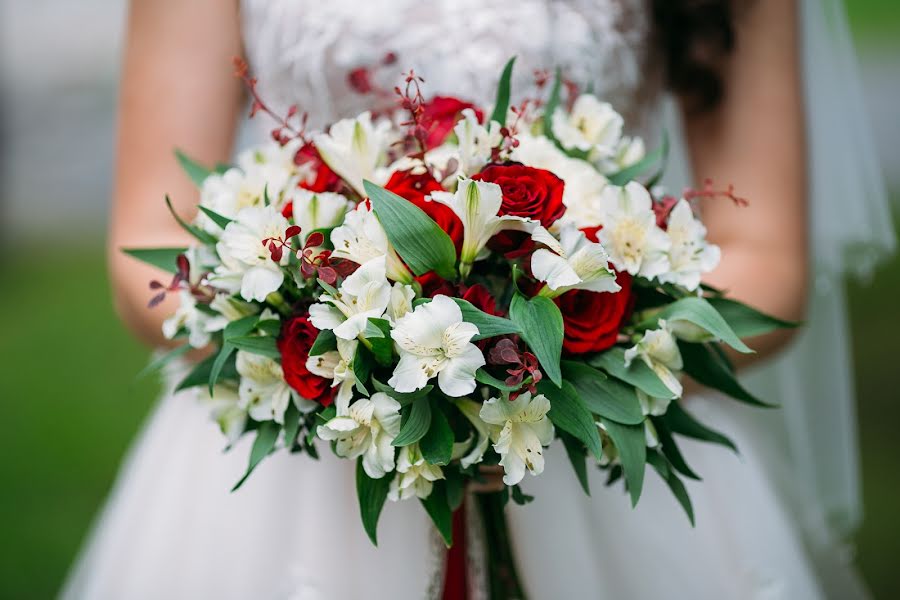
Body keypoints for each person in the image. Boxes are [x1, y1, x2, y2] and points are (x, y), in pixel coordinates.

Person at [64, 0, 891, 598]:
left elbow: (764, 260)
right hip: (309, 437)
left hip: (592, 438)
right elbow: (152, 250)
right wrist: (361, 352)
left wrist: (544, 360)